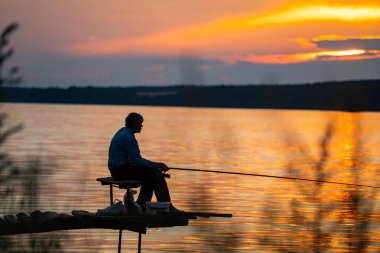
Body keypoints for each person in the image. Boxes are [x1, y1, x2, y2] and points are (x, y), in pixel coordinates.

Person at [108, 112, 179, 211]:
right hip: (120, 171)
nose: (142, 125)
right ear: (134, 124)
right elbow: (138, 162)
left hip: (118, 169)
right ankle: (166, 205)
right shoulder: (128, 137)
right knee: (154, 172)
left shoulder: (124, 132)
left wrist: (153, 165)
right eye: (140, 123)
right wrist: (158, 165)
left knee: (150, 172)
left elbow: (135, 161)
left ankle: (142, 204)